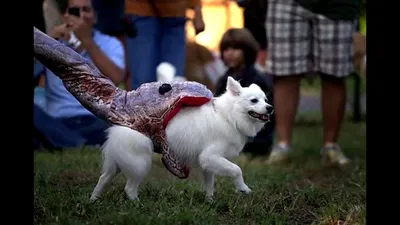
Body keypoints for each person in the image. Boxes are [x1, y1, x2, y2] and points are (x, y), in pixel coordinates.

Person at [265, 0, 359, 166]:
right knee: (285, 73)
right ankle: (283, 146)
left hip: (339, 5)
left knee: (335, 74)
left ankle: (331, 147)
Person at [33, 0, 125, 150]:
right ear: (65, 17)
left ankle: (64, 142)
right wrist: (44, 42)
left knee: (121, 124)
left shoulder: (110, 43)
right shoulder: (52, 42)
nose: (81, 15)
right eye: (76, 11)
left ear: (95, 16)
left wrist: (87, 41)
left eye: (86, 10)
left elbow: (116, 78)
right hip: (58, 120)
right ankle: (80, 144)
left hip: (95, 119)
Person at [214, 28, 275, 162]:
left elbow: (266, 121)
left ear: (247, 51)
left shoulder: (258, 81)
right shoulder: (224, 80)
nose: (229, 53)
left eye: (235, 48)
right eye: (226, 49)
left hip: (255, 142)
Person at [124, 0, 205, 89]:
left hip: (175, 14)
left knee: (174, 82)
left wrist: (197, 9)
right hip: (141, 11)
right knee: (143, 81)